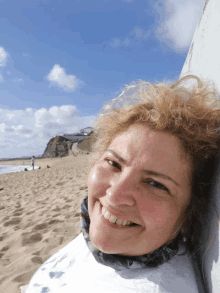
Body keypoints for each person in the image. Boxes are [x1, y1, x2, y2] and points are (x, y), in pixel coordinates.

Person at [23, 75, 220, 293]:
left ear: (188, 213)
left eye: (155, 184)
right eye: (114, 163)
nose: (115, 196)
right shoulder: (104, 235)